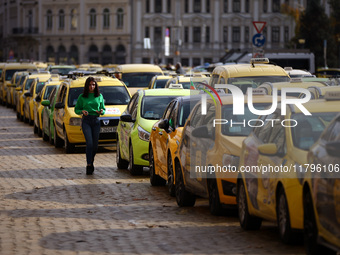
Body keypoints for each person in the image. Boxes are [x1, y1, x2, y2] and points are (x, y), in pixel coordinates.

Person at [74, 77, 106, 175]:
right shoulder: (82, 97)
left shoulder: (99, 96)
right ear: (87, 85)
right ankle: (88, 164)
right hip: (86, 121)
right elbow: (76, 109)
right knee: (90, 143)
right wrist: (82, 111)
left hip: (96, 121)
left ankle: (91, 161)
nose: (91, 87)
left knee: (95, 146)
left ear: (96, 86)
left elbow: (103, 110)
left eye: (93, 85)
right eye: (90, 85)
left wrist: (101, 111)